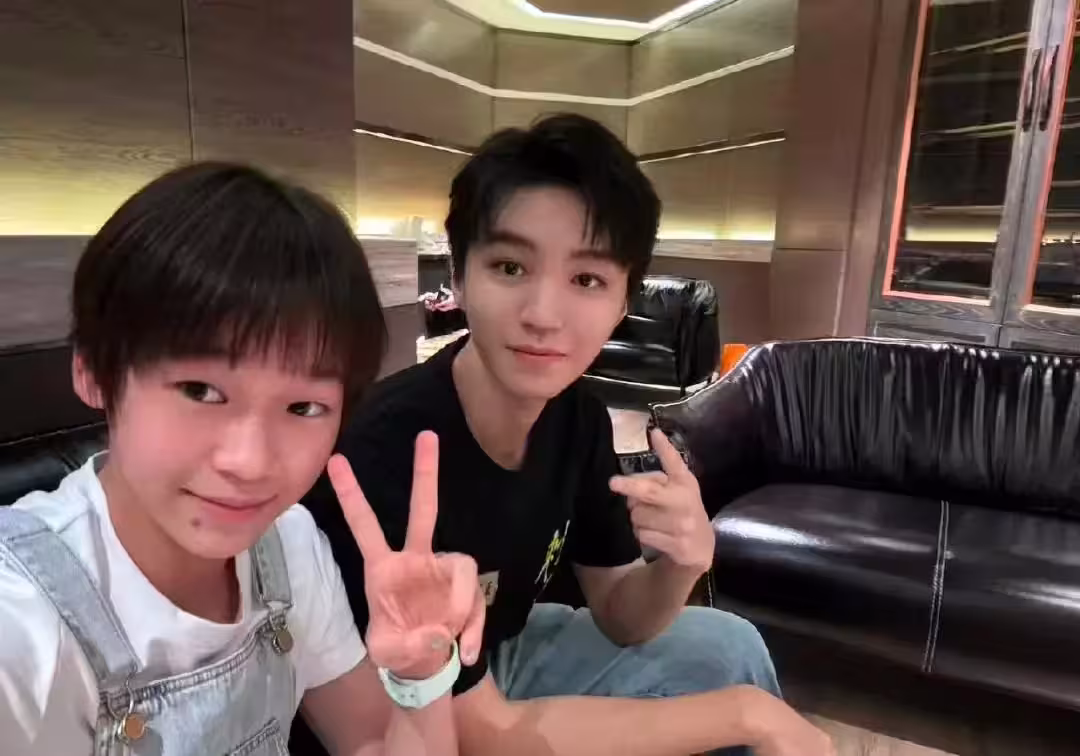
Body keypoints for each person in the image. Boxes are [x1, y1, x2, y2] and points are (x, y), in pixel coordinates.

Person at [300, 115, 835, 756]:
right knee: (735, 707)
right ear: (458, 277)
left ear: (623, 302)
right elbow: (477, 734)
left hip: (504, 652)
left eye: (586, 280)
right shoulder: (387, 451)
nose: (543, 316)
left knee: (730, 645)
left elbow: (623, 614)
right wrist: (747, 715)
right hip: (408, 712)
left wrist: (685, 562)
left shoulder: (578, 418)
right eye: (509, 266)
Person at [0, 163, 485, 755]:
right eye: (200, 391)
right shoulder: (21, 611)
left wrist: (421, 672)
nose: (251, 463)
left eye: (304, 406)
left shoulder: (290, 543)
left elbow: (371, 745)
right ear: (94, 372)